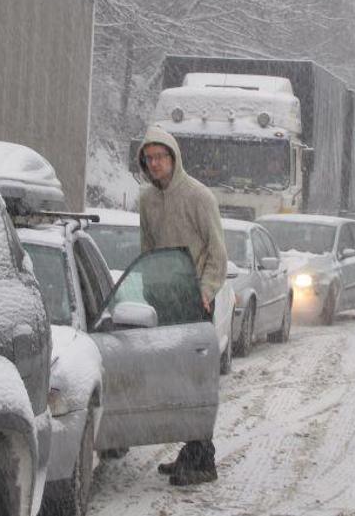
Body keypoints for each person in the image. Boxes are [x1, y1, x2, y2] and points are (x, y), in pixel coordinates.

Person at [137, 125, 227, 487]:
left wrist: (205, 291)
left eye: (161, 157)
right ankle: (191, 452)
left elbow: (218, 253)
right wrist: (146, 288)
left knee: (195, 380)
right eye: (149, 158)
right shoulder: (146, 199)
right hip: (163, 300)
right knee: (173, 381)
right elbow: (147, 248)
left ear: (174, 158)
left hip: (195, 300)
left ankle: (205, 460)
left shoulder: (199, 197)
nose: (155, 164)